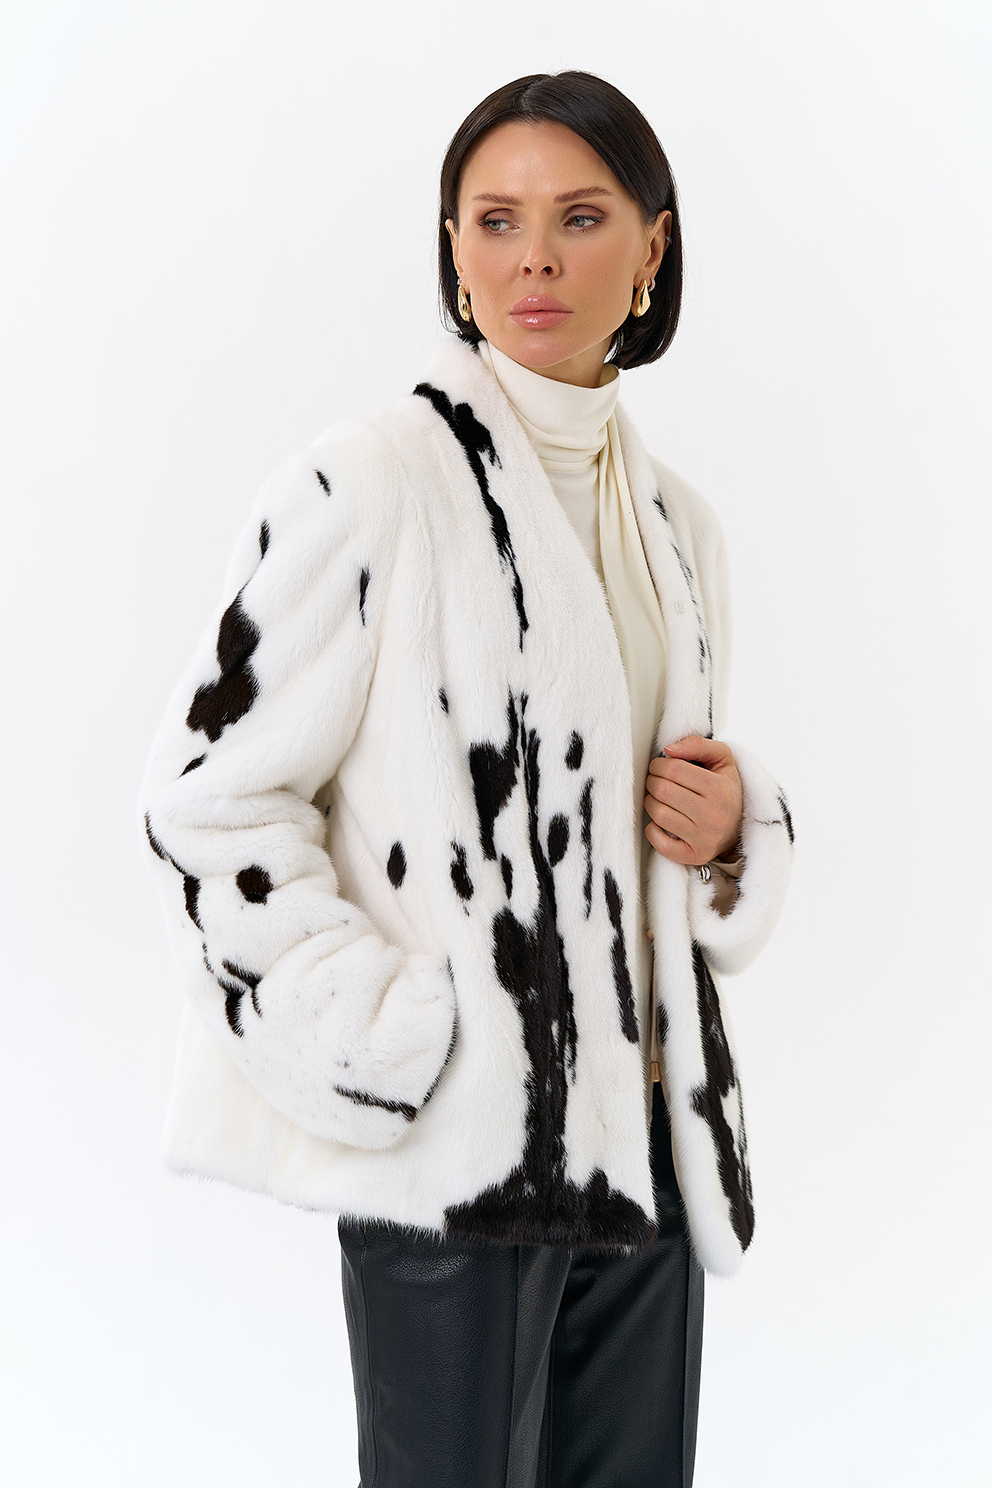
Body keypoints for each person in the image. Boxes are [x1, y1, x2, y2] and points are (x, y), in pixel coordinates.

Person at [140, 70, 793, 1488]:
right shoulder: (374, 482)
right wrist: (392, 1038)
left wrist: (737, 828)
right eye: (495, 221)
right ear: (453, 247)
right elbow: (210, 796)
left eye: (579, 218)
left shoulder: (677, 525)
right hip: (459, 1154)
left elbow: (642, 823)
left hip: (648, 1141)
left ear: (653, 247)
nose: (534, 259)